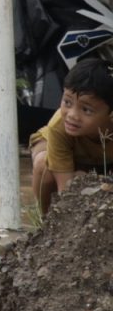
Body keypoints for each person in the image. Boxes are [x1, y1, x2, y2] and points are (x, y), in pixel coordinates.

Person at [31, 57, 113, 216]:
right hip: (59, 147)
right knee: (44, 165)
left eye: (86, 110)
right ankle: (46, 224)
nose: (72, 115)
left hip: (103, 161)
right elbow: (66, 190)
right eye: (67, 102)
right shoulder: (59, 125)